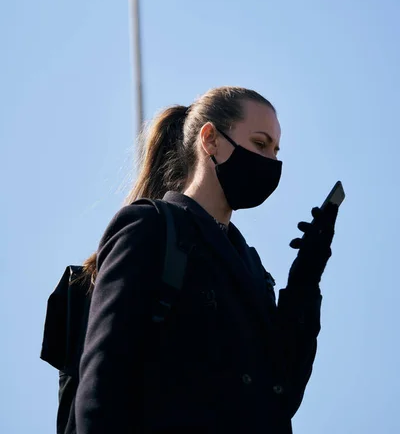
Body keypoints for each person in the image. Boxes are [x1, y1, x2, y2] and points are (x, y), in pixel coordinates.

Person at [75, 86, 339, 434]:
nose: (271, 163)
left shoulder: (252, 269)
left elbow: (280, 393)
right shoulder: (151, 227)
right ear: (210, 139)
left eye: (276, 151)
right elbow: (102, 383)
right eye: (260, 144)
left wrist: (307, 276)